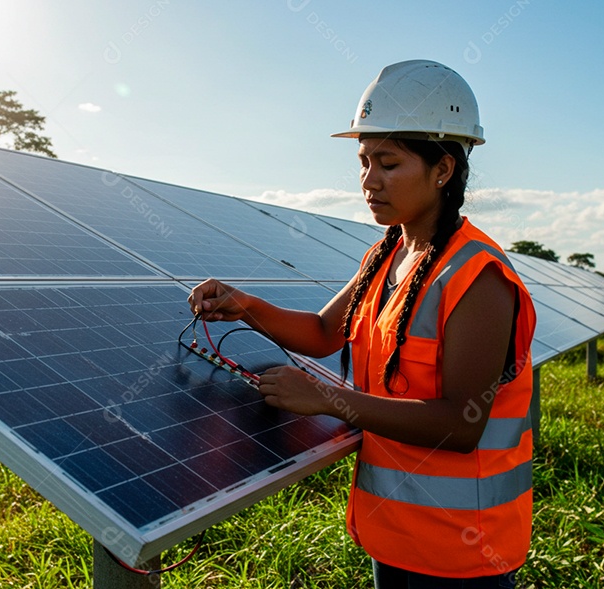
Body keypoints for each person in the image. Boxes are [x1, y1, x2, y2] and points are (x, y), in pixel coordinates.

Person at [188, 60, 536, 588]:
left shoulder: (478, 278)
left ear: (443, 169)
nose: (369, 181)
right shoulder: (387, 255)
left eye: (388, 163)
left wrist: (329, 399)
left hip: (462, 553)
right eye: (364, 161)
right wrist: (246, 306)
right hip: (392, 534)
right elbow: (323, 334)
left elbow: (461, 425)